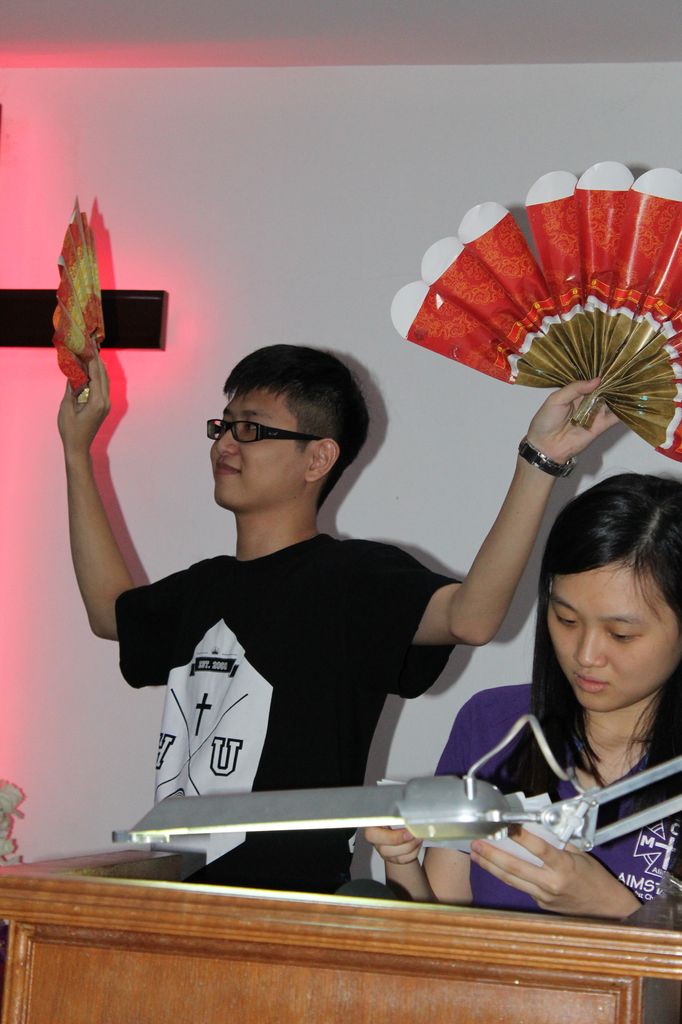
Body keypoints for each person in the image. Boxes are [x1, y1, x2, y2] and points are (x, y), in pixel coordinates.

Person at [58, 342, 615, 893]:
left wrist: (539, 461)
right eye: (223, 425)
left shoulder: (353, 579)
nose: (225, 443)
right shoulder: (203, 587)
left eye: (250, 428)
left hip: (298, 912)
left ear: (318, 459)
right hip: (179, 898)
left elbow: (471, 617)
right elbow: (110, 613)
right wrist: (78, 451)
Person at [367, 473, 682, 917]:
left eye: (621, 634)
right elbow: (442, 933)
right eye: (566, 620)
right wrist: (400, 862)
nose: (585, 655)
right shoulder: (495, 725)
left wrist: (613, 909)